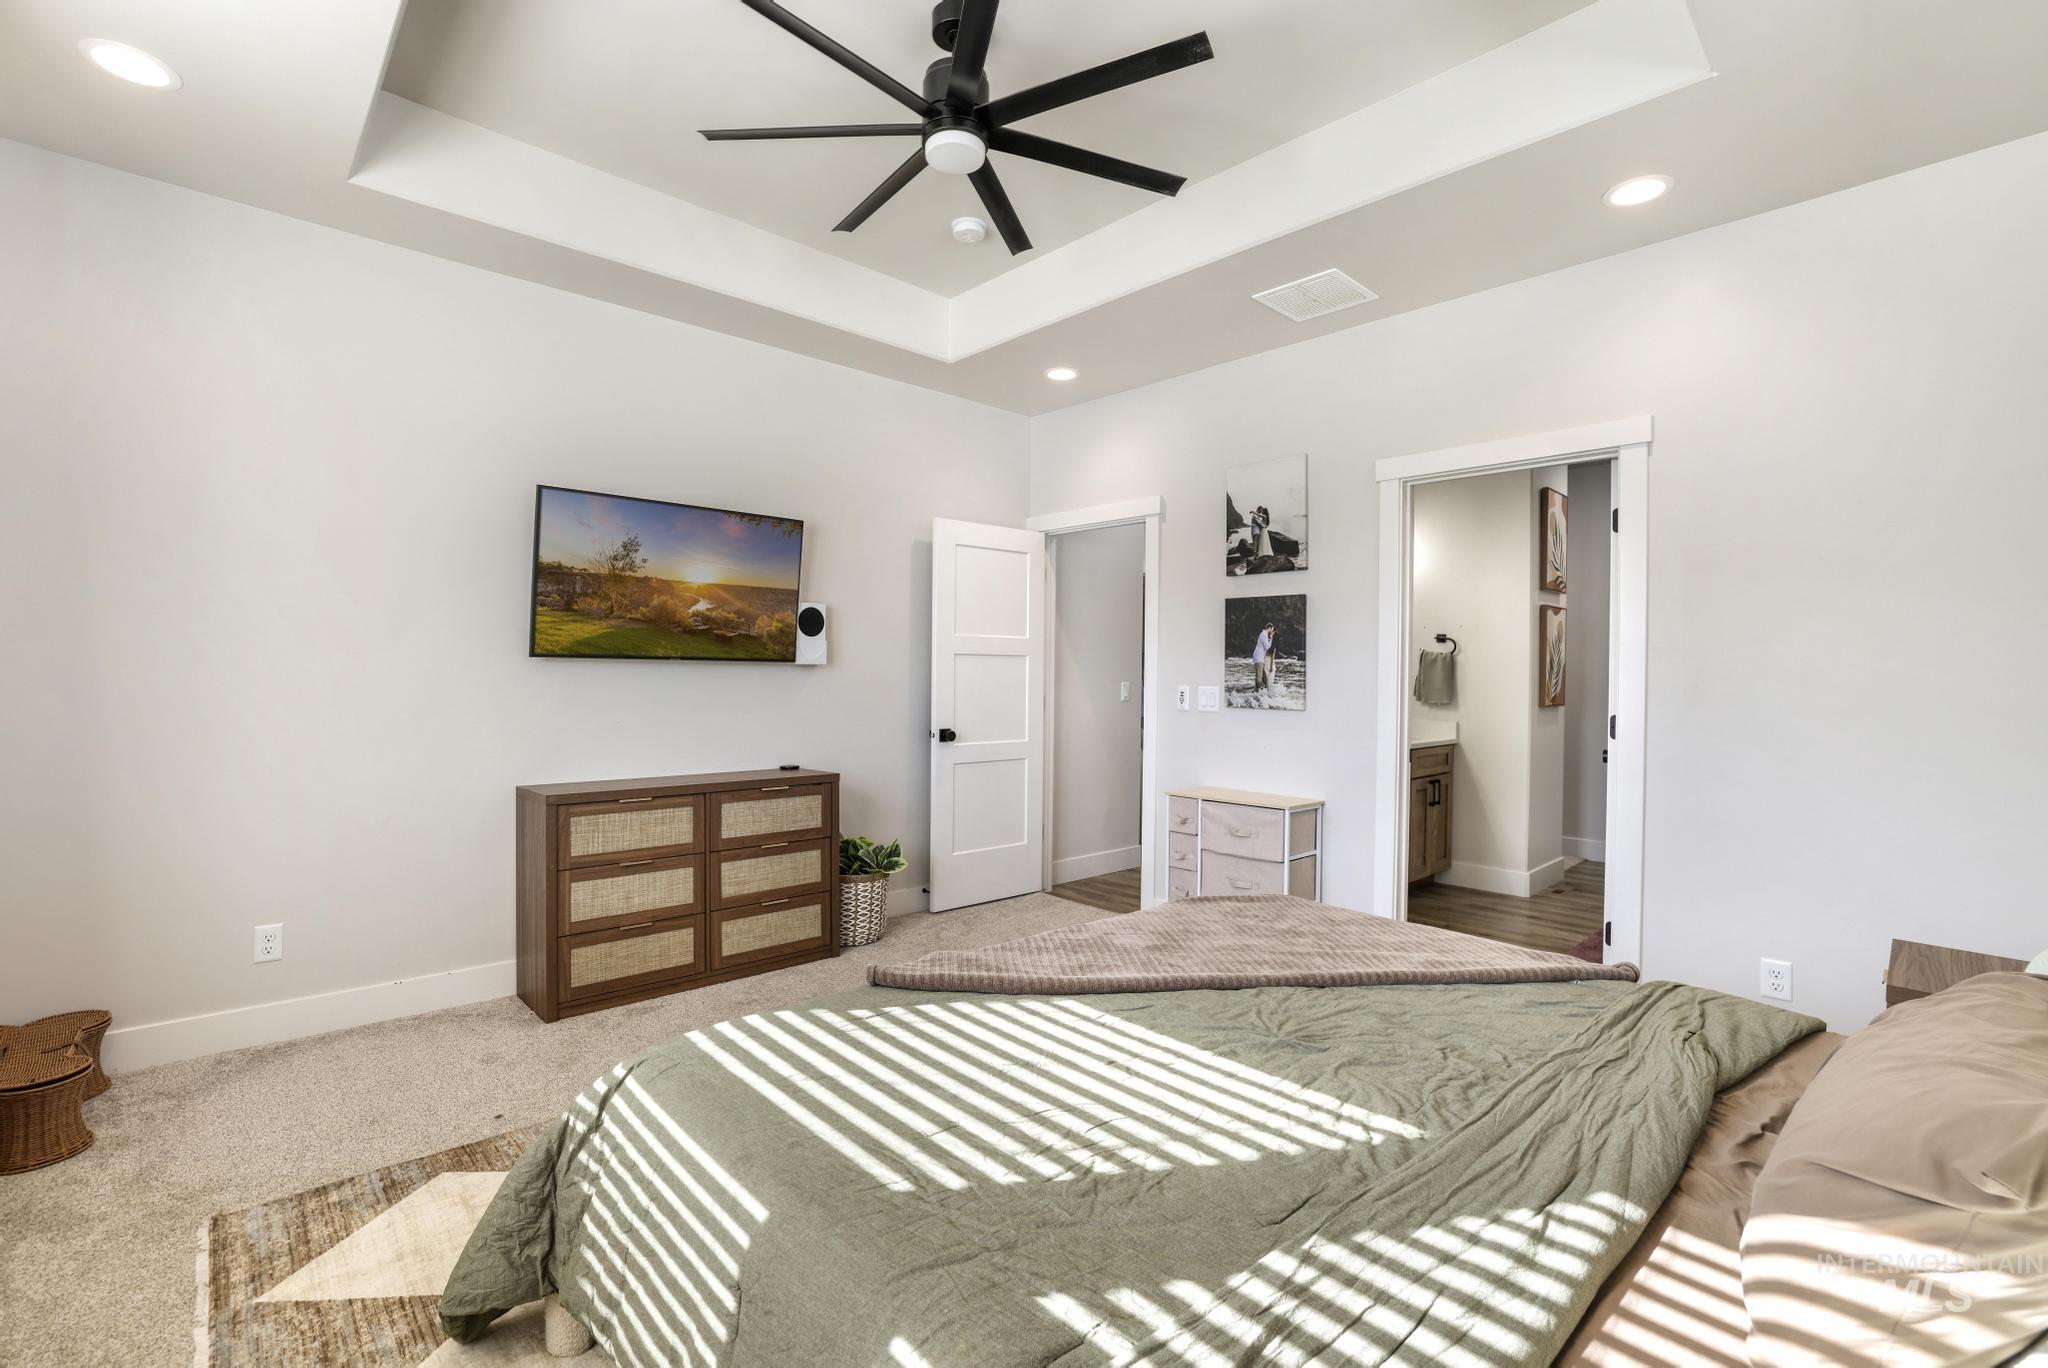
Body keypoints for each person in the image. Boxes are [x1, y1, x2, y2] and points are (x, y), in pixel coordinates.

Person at [1252, 622, 1276, 693]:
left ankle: (1258, 691)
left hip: (1260, 657)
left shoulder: (1264, 635)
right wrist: (1271, 638)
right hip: (1259, 658)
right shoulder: (1263, 634)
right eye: (1272, 630)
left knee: (1264, 677)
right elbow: (1267, 647)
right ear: (1269, 628)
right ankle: (1260, 690)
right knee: (1259, 677)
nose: (1271, 632)